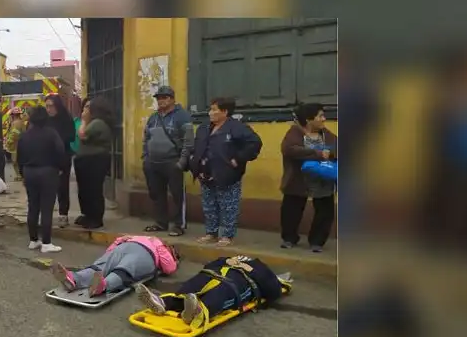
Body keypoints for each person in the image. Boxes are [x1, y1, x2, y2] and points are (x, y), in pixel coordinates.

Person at [188, 97, 262, 247]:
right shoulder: (204, 128)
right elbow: (197, 147)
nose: (210, 113)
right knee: (209, 206)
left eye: (214, 110)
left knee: (228, 206)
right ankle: (211, 233)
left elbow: (255, 143)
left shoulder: (237, 128)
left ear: (225, 112)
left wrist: (238, 159)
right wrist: (194, 163)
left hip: (227, 174)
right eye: (210, 109)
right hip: (206, 174)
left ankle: (227, 235)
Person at [135, 255, 287, 327]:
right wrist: (226, 261)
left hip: (239, 282)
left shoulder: (260, 267)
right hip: (212, 274)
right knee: (191, 287)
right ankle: (162, 303)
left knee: (222, 291)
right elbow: (208, 266)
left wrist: (250, 269)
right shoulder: (229, 259)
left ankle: (199, 311)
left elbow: (273, 291)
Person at [280, 102, 338, 252]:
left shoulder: (326, 134)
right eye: (320, 116)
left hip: (322, 179)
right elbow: (289, 149)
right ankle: (289, 238)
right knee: (291, 210)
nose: (324, 119)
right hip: (299, 179)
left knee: (325, 211)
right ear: (308, 119)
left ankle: (317, 241)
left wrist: (331, 153)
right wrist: (318, 154)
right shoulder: (295, 132)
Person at [49, 235, 179, 297]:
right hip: (138, 251)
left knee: (109, 266)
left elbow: (169, 267)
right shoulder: (156, 243)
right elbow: (169, 267)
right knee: (120, 268)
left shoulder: (147, 240)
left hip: (131, 248)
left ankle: (78, 279)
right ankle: (97, 284)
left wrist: (110, 253)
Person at [142, 85, 194, 237]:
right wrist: (146, 157)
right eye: (159, 98)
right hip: (153, 163)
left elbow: (188, 141)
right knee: (156, 194)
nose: (161, 101)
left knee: (177, 195)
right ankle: (160, 222)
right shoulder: (153, 117)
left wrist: (181, 162)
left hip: (172, 162)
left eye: (164, 97)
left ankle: (179, 225)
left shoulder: (182, 116)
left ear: (172, 99)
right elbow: (146, 138)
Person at [16, 105, 67, 253]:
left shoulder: (25, 136)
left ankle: (33, 240)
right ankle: (46, 243)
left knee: (33, 206)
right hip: (48, 172)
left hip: (29, 172)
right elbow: (60, 151)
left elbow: (19, 157)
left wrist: (23, 173)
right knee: (46, 208)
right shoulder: (52, 134)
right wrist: (60, 168)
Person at [73, 97, 114, 229]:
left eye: (88, 107)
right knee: (85, 190)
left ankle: (95, 218)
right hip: (85, 160)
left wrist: (84, 121)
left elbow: (82, 134)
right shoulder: (93, 122)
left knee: (93, 189)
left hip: (95, 160)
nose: (84, 110)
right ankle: (87, 215)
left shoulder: (97, 123)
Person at [44, 94, 77, 226]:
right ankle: (46, 214)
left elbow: (71, 136)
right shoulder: (45, 120)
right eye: (46, 106)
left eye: (51, 106)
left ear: (57, 106)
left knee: (62, 186)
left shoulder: (66, 118)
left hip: (63, 157)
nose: (48, 109)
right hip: (47, 157)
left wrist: (57, 140)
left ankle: (63, 214)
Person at [3, 107, 26, 179]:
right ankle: (20, 175)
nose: (10, 117)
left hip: (15, 146)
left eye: (11, 115)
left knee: (15, 161)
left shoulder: (15, 123)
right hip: (21, 145)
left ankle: (19, 175)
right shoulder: (21, 122)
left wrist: (8, 142)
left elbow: (14, 134)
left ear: (14, 115)